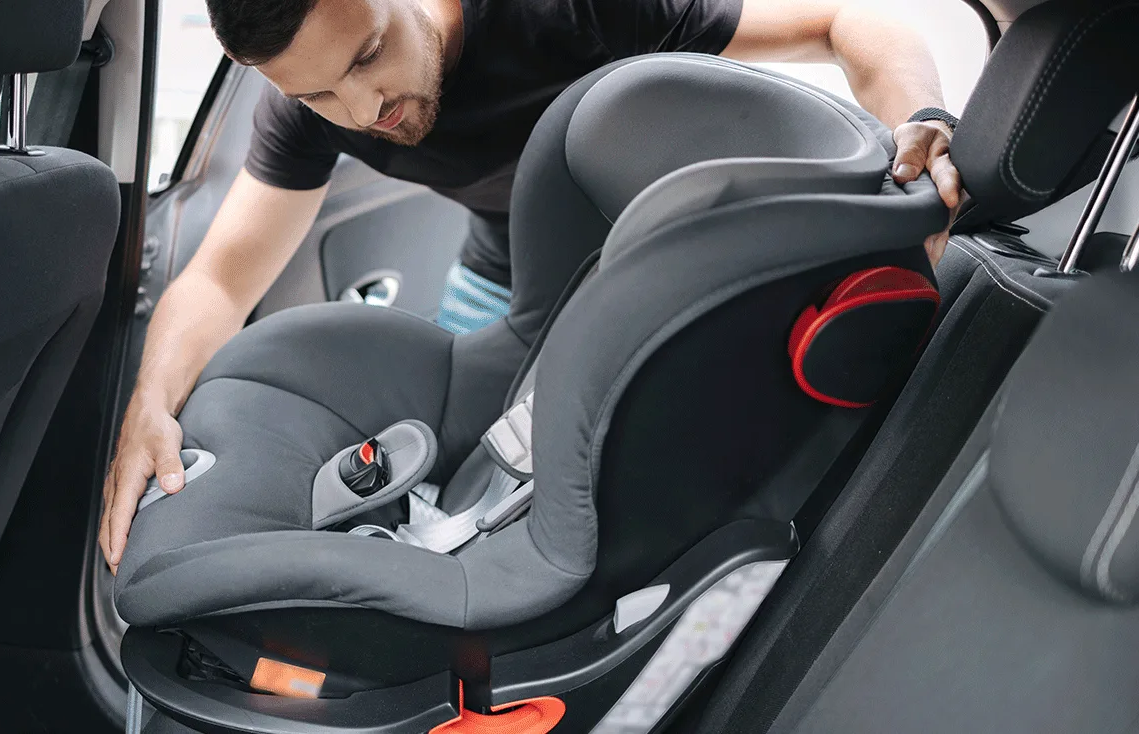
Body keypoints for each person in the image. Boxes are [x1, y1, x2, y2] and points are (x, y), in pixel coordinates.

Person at [99, 0, 965, 573]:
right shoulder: (307, 110)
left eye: (369, 56)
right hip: (508, 269)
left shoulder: (570, 7)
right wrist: (150, 405)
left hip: (660, 255)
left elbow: (848, 21)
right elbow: (219, 277)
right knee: (462, 479)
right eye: (320, 91)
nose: (365, 110)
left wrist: (921, 123)